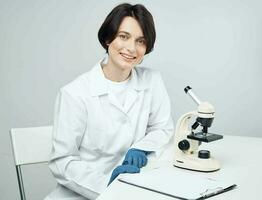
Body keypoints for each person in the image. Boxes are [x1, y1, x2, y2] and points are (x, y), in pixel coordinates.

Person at [45, 3, 174, 200]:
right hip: (85, 193)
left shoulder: (152, 81)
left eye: (141, 41)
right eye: (124, 37)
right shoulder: (75, 93)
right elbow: (62, 161)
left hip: (132, 189)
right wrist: (106, 182)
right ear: (108, 38)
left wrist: (141, 147)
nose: (132, 48)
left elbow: (163, 128)